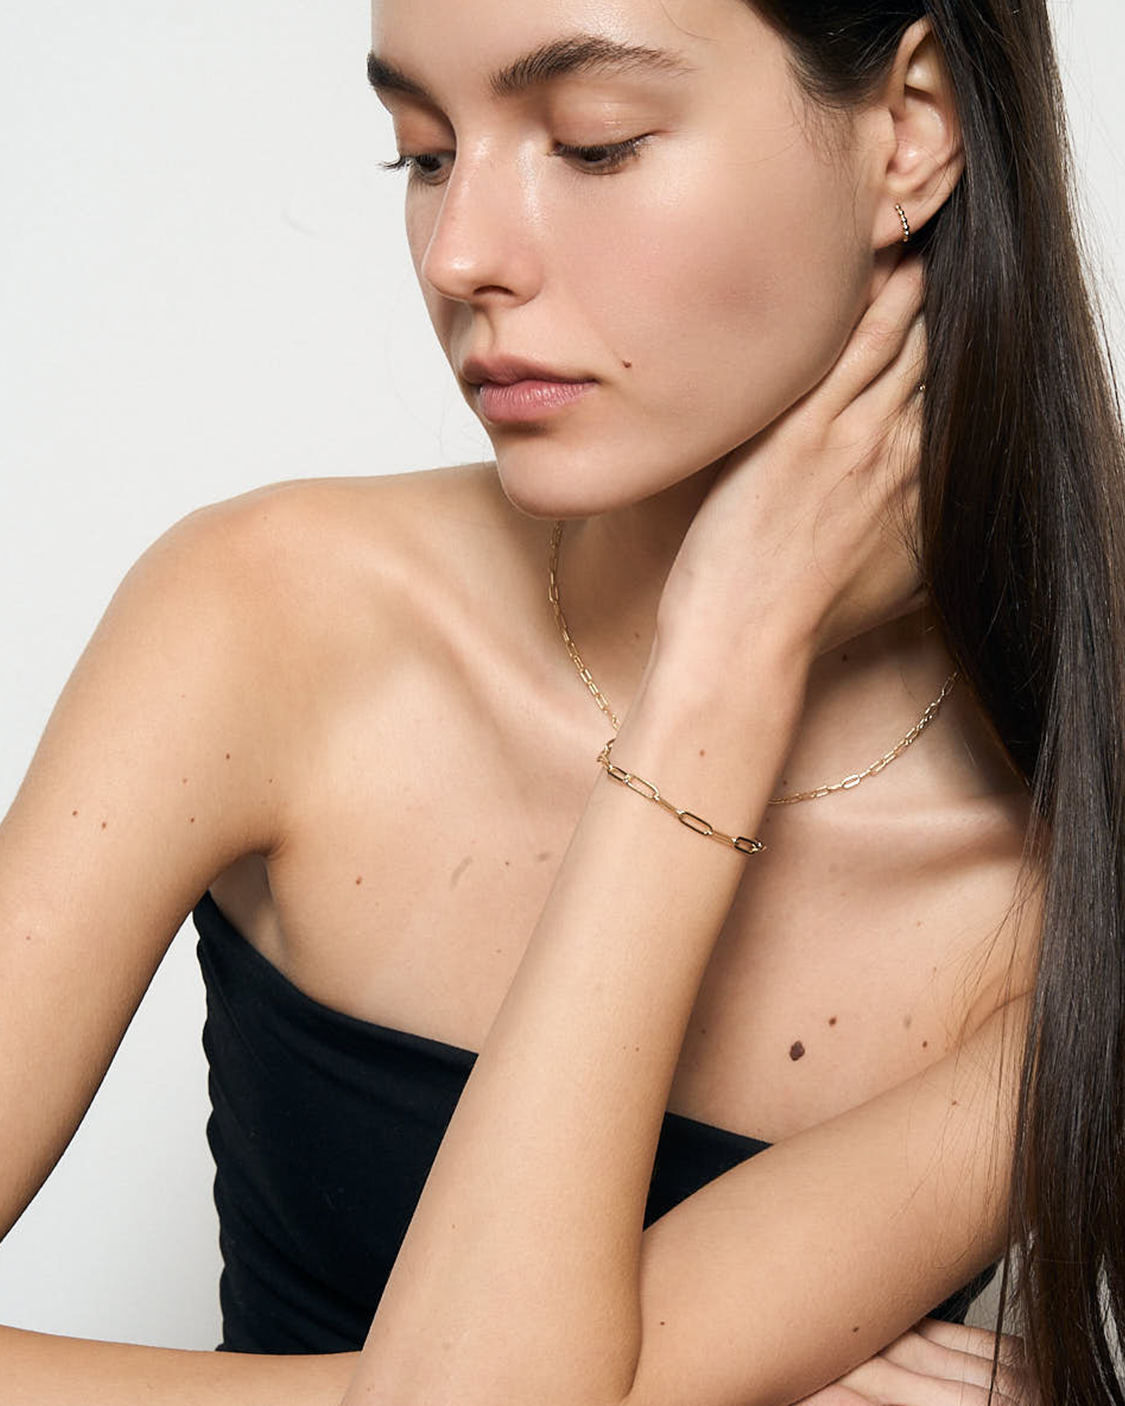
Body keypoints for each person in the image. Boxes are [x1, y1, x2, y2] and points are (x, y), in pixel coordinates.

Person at [1, 0, 1121, 1402]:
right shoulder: (266, 616)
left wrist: (726, 660)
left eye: (596, 144)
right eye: (423, 151)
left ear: (910, 129)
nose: (463, 251)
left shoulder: (1071, 881)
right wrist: (718, 683)